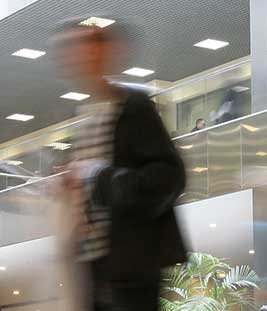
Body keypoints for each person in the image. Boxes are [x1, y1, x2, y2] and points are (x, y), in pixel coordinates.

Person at [54, 17, 190, 311]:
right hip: (96, 269)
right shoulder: (84, 115)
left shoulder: (132, 106)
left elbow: (168, 178)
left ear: (101, 52)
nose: (72, 57)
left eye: (80, 47)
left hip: (131, 268)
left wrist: (95, 175)